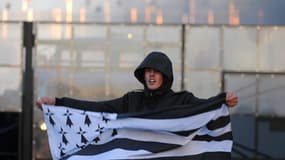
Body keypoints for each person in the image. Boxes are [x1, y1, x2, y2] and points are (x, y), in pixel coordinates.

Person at [36, 51, 238, 113]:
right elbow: (96, 108)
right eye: (147, 71)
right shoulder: (131, 101)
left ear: (165, 76)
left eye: (156, 72)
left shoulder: (183, 100)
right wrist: (58, 103)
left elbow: (205, 107)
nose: (151, 75)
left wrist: (223, 99)